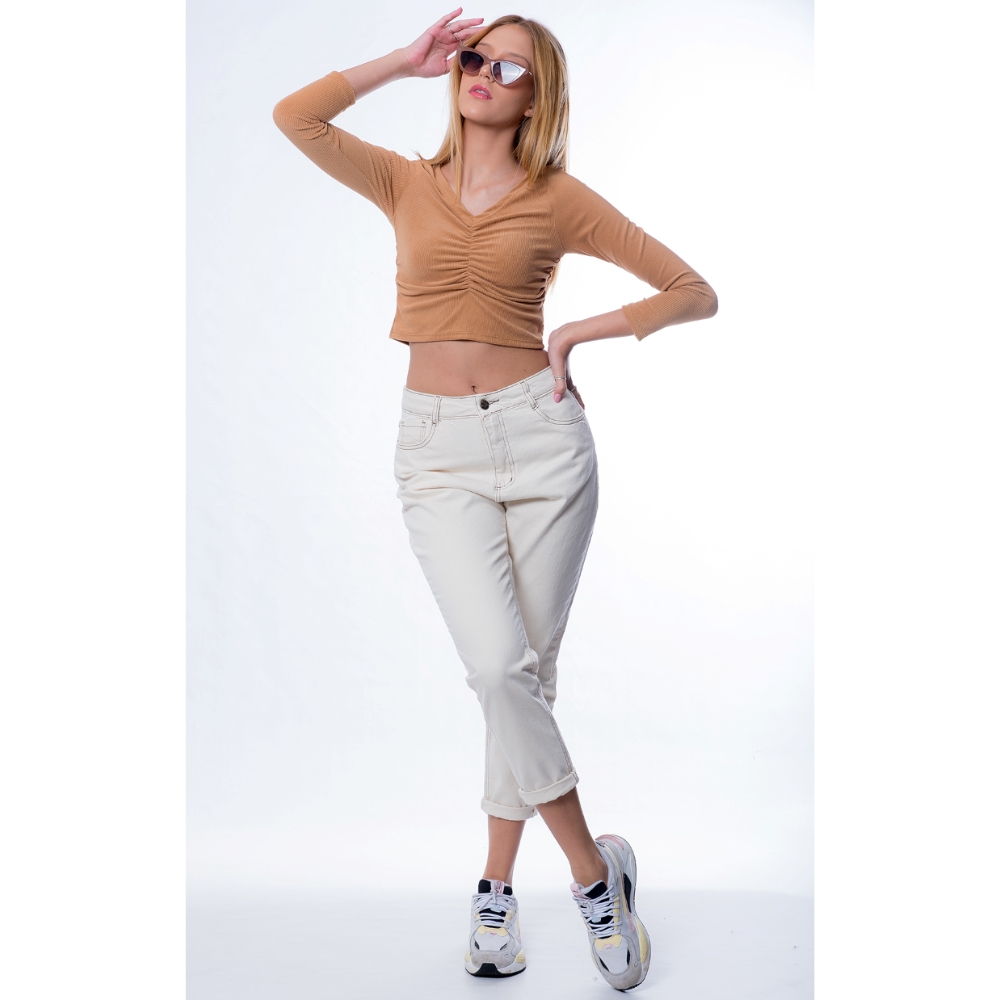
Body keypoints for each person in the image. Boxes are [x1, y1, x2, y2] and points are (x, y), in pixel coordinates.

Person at [273, 8, 717, 991]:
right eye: (475, 57)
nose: (482, 73)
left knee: (521, 678)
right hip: (437, 454)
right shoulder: (404, 181)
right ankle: (596, 878)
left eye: (509, 67)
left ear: (537, 95)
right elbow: (294, 116)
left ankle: (495, 899)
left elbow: (692, 289)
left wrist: (576, 333)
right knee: (497, 669)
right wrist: (403, 61)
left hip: (543, 441)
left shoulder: (559, 200)